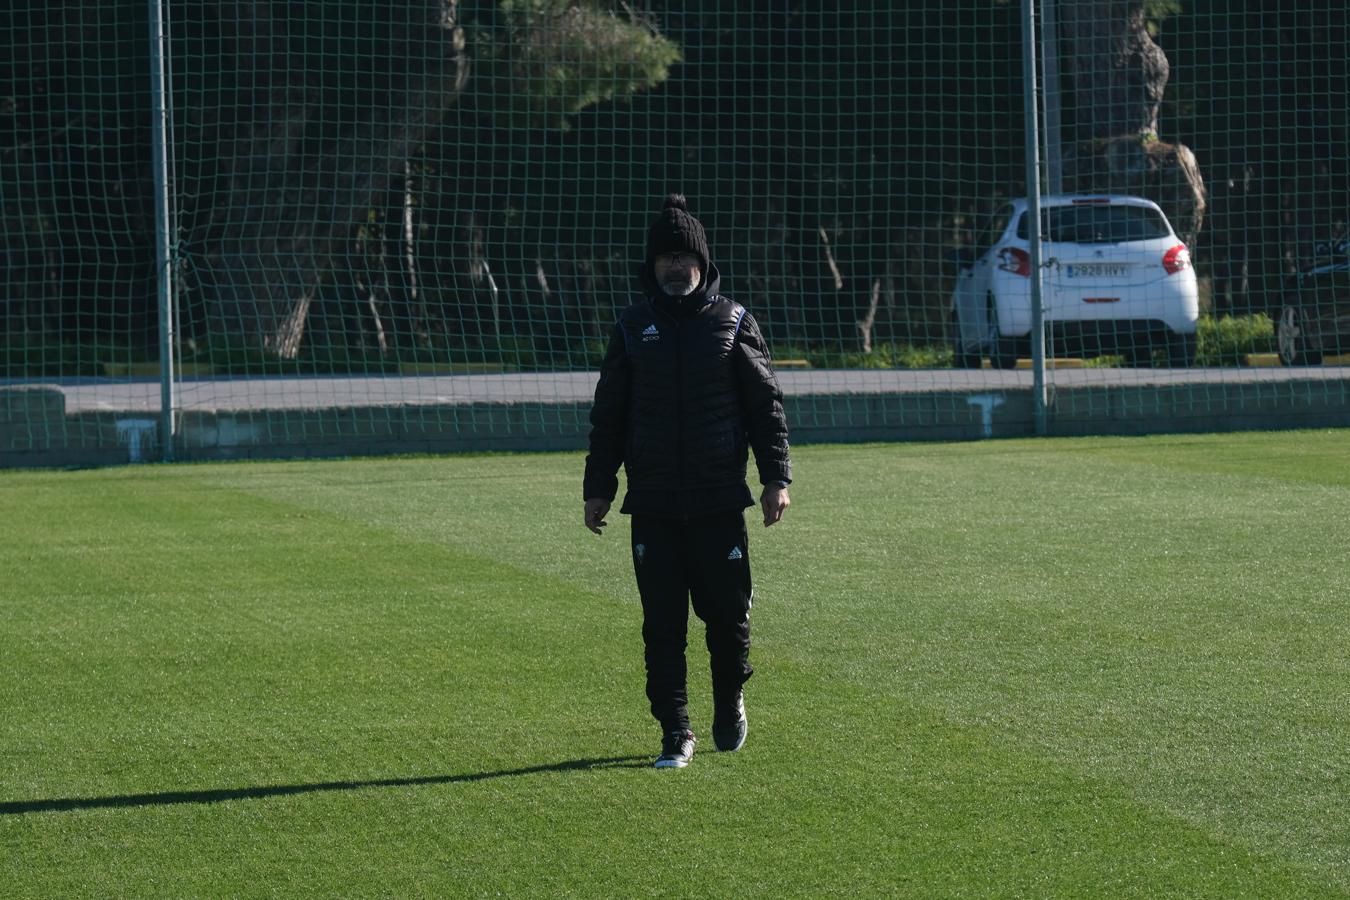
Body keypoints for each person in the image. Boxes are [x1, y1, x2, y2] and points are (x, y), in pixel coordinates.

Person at [583, 193, 792, 769]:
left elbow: (765, 407)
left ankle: (730, 700)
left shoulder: (733, 322)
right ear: (651, 267)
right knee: (662, 627)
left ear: (703, 263)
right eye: (665, 259)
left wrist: (776, 477)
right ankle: (676, 733)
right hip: (650, 502)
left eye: (685, 258)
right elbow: (609, 414)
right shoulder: (632, 327)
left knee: (726, 622)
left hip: (718, 500)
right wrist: (597, 487)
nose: (676, 268)